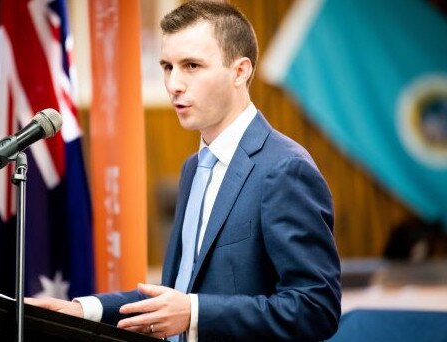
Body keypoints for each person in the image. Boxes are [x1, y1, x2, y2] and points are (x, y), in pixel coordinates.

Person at [26, 1, 341, 340]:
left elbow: (315, 307)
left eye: (191, 65)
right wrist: (85, 310)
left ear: (240, 71)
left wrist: (195, 312)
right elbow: (177, 293)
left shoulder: (285, 169)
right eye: (167, 66)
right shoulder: (194, 167)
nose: (173, 83)